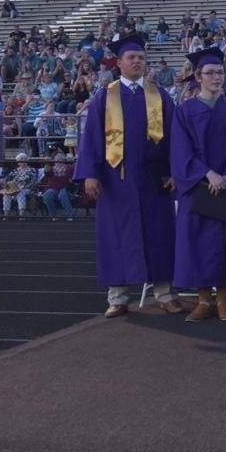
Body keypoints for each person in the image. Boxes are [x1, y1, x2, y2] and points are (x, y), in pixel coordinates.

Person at [76, 33, 181, 317]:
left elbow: (175, 137)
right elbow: (92, 138)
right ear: (119, 63)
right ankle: (118, 298)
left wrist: (174, 171)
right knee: (116, 236)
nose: (137, 62)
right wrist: (89, 174)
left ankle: (165, 293)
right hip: (115, 181)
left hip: (153, 179)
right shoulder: (105, 96)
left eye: (141, 58)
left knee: (159, 235)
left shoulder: (158, 95)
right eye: (131, 58)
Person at [171, 46, 226, 322]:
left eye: (220, 72)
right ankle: (203, 300)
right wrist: (207, 174)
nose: (217, 77)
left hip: (225, 187)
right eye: (211, 73)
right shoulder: (185, 110)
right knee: (198, 243)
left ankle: (224, 299)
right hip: (198, 188)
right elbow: (181, 150)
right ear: (198, 76)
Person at [39, 152, 75, 219]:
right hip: (53, 188)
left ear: (63, 159)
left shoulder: (69, 168)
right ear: (54, 159)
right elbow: (47, 174)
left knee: (62, 195)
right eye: (57, 158)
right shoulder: (51, 168)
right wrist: (46, 163)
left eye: (61, 157)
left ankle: (70, 215)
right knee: (47, 195)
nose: (59, 159)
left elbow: (72, 178)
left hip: (65, 188)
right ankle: (54, 215)